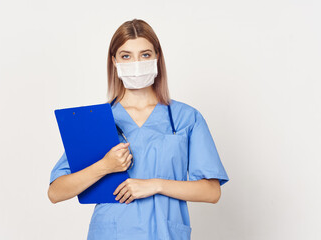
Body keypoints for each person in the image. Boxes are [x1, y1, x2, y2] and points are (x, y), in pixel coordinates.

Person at [47, 18, 229, 240]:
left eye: (144, 55)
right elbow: (56, 192)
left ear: (157, 57)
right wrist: (105, 166)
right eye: (126, 56)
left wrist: (155, 185)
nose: (136, 63)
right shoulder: (99, 120)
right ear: (114, 61)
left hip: (165, 233)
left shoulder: (185, 118)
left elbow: (212, 191)